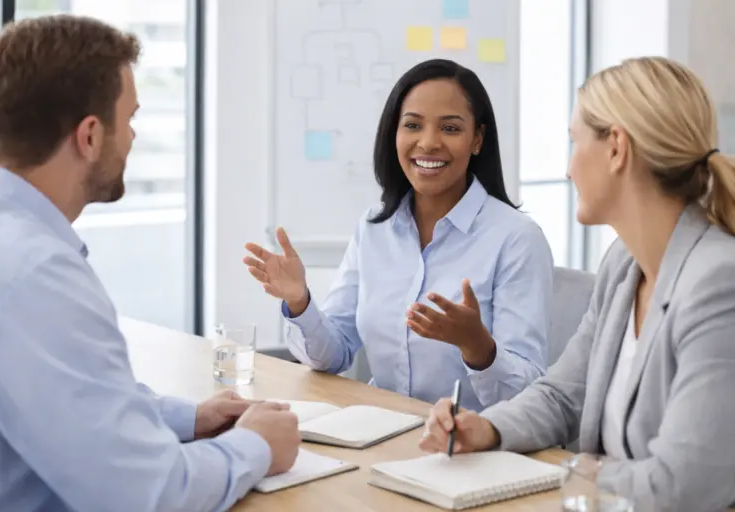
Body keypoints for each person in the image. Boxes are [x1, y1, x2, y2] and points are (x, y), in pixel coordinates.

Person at [0, 15, 300, 512]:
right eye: (129, 119)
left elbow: (71, 402)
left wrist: (191, 418)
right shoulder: (32, 274)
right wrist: (255, 444)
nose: (133, 137)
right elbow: (150, 495)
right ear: (90, 136)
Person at [420, 56, 735, 511]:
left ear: (616, 149)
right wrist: (487, 429)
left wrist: (576, 475)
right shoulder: (624, 265)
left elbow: (685, 483)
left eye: (574, 143)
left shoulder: (717, 284)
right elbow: (562, 396)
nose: (568, 170)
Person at [244, 59, 553, 412]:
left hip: (472, 448)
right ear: (395, 134)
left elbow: (528, 397)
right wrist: (300, 302)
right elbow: (334, 355)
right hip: (382, 433)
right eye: (413, 125)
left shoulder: (517, 239)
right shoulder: (374, 227)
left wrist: (478, 347)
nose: (429, 143)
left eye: (450, 129)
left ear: (477, 139)